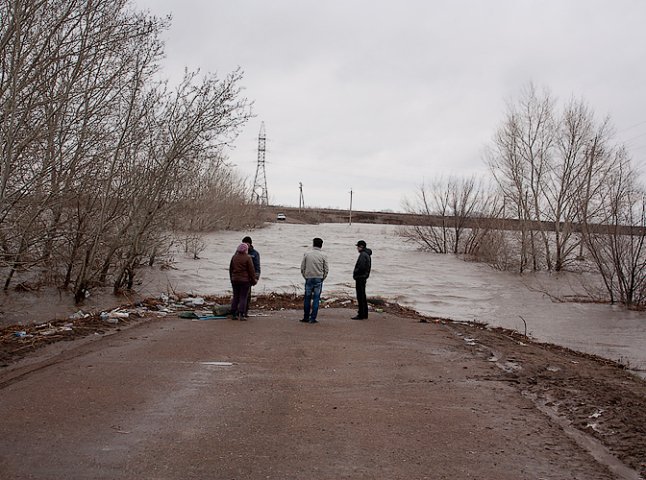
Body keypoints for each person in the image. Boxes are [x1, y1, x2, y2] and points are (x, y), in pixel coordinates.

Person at [300, 237, 329, 324]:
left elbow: (302, 267)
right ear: (321, 245)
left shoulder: (307, 254)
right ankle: (313, 318)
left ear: (313, 244)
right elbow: (326, 269)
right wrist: (322, 278)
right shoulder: (323, 255)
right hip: (318, 278)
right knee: (316, 298)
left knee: (307, 298)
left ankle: (305, 317)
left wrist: (305, 276)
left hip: (309, 277)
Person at [229, 243, 257, 321]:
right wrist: (254, 280)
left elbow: (231, 269)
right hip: (245, 281)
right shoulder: (248, 258)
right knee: (243, 297)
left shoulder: (234, 257)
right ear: (246, 250)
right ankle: (241, 314)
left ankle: (233, 313)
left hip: (235, 280)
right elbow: (251, 271)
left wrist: (231, 278)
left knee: (236, 297)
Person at [352, 240, 372, 320]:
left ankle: (361, 314)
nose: (357, 248)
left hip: (360, 277)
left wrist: (355, 274)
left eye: (358, 246)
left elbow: (361, 267)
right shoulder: (366, 254)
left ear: (361, 247)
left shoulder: (363, 255)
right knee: (363, 296)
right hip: (363, 277)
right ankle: (364, 314)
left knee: (360, 296)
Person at [242, 236, 261, 315]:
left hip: (249, 277)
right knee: (239, 295)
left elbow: (257, 266)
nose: (245, 245)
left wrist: (256, 277)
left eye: (246, 243)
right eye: (243, 243)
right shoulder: (239, 252)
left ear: (250, 244)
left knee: (247, 295)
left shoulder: (255, 253)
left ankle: (245, 312)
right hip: (240, 276)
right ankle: (239, 311)